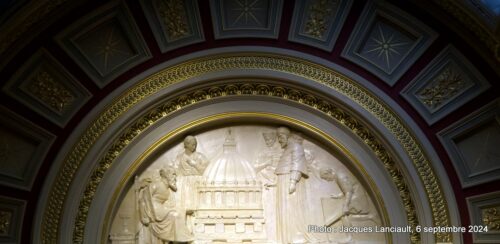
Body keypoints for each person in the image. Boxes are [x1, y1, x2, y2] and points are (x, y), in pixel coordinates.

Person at [274, 126, 316, 243]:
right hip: (284, 180)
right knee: (285, 209)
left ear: (284, 136)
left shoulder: (296, 147)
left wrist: (293, 181)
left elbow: (297, 164)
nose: (279, 140)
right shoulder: (288, 148)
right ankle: (286, 238)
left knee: (291, 209)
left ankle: (294, 237)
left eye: (280, 138)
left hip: (289, 181)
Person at [137, 168, 193, 243]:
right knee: (175, 214)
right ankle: (183, 238)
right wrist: (145, 215)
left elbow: (169, 204)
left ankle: (180, 238)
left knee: (177, 213)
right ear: (167, 176)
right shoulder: (156, 185)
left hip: (161, 208)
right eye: (173, 175)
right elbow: (144, 199)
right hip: (154, 209)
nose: (175, 178)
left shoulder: (167, 189)